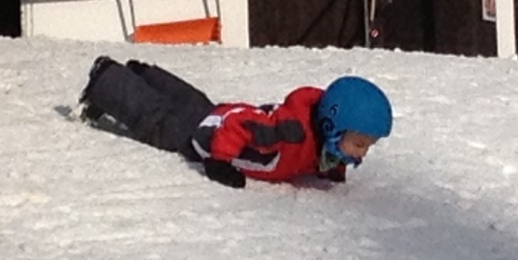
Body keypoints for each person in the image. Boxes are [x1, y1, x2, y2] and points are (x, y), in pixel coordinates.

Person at [78, 56, 393, 188]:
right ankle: (106, 79)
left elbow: (316, 158)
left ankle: (142, 74)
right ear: (330, 127)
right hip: (210, 135)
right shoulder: (290, 133)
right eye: (359, 144)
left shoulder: (321, 143)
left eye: (367, 146)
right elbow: (239, 125)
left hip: (215, 114)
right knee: (160, 122)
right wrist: (219, 161)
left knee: (191, 102)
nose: (362, 152)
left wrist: (334, 168)